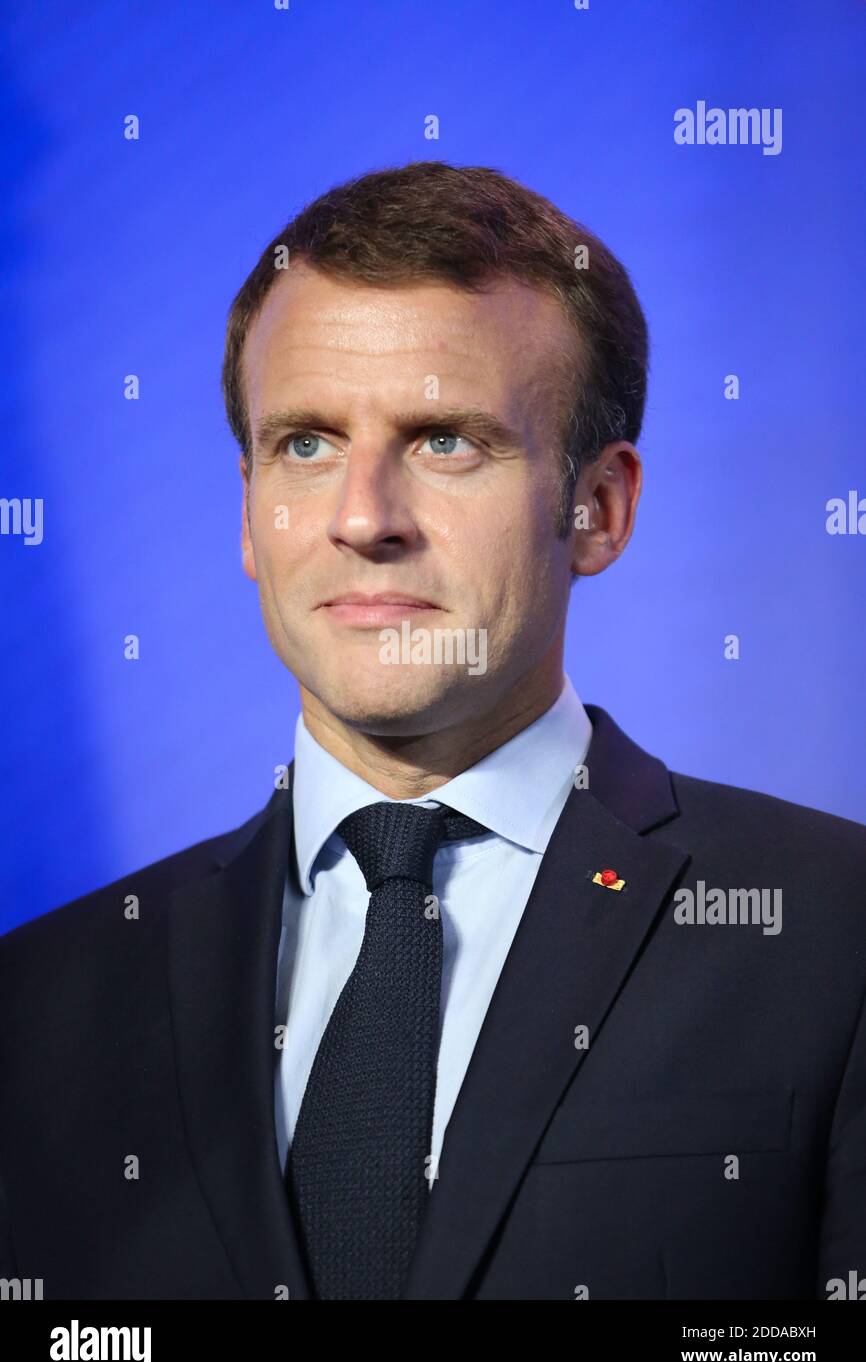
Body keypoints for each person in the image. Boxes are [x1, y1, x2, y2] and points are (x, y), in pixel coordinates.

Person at [1, 161, 864, 1302]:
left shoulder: (830, 936)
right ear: (249, 514)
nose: (362, 517)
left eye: (444, 441)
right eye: (303, 443)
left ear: (596, 508)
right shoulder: (39, 1003)